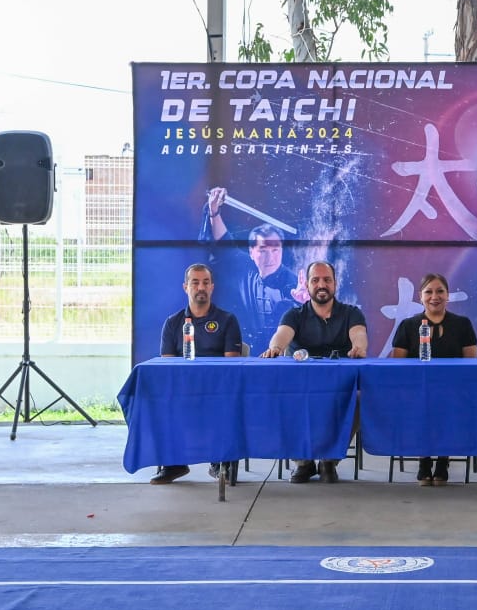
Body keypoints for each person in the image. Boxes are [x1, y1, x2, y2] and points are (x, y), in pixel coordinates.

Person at [260, 260, 368, 484]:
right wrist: (276, 348)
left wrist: (359, 346)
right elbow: (282, 335)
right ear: (307, 285)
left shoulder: (351, 313)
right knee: (282, 398)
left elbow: (359, 334)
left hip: (339, 386)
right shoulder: (294, 314)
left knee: (358, 399)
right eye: (315, 280)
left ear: (335, 284)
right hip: (300, 386)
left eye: (327, 280)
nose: (321, 284)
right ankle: (303, 462)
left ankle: (330, 459)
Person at [151, 263, 243, 484]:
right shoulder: (173, 323)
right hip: (184, 389)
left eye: (205, 283)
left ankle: (219, 461)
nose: (200, 287)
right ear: (185, 287)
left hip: (217, 389)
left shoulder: (227, 320)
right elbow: (168, 367)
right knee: (161, 401)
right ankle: (174, 463)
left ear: (212, 287)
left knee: (223, 402)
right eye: (195, 282)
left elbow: (232, 365)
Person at [388, 272, 477, 485]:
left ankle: (442, 461)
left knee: (447, 404)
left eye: (440, 291)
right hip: (417, 391)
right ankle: (424, 461)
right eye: (429, 292)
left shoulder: (462, 324)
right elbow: (398, 366)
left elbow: (470, 364)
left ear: (448, 296)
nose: (434, 296)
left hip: (453, 391)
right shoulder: (408, 326)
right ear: (420, 296)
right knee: (423, 404)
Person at [200, 187, 305, 355]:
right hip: (251, 354)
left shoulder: (292, 283)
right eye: (263, 250)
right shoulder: (246, 269)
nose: (270, 258)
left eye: (275, 250)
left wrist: (304, 302)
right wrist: (214, 211)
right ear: (251, 252)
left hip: (283, 357)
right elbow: (223, 242)